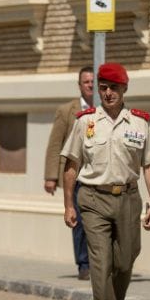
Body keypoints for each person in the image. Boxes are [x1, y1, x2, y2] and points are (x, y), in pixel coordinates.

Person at [61, 62, 150, 300]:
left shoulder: (140, 122)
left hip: (129, 199)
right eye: (103, 88)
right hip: (93, 199)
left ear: (124, 89)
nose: (107, 93)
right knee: (101, 263)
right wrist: (69, 204)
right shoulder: (85, 121)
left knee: (125, 260)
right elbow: (71, 165)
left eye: (113, 88)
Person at [44, 66, 94, 280]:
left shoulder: (107, 108)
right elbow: (55, 144)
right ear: (79, 85)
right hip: (76, 176)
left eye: (94, 81)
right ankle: (84, 264)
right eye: (86, 82)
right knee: (79, 220)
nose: (90, 85)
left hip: (101, 176)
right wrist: (51, 176)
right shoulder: (67, 111)